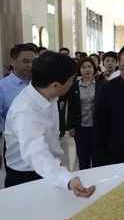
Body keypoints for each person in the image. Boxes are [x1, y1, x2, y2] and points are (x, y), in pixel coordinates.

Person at [3, 52, 95, 196]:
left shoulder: (48, 94)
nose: (72, 83)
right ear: (56, 85)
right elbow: (36, 154)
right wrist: (67, 179)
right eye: (70, 80)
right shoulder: (25, 111)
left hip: (51, 168)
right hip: (27, 177)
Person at [65, 58, 102, 170]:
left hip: (98, 126)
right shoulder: (74, 86)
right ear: (79, 70)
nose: (87, 70)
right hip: (81, 126)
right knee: (83, 156)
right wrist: (70, 126)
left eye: (89, 67)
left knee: (98, 155)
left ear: (94, 69)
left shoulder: (101, 84)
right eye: (84, 67)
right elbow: (71, 107)